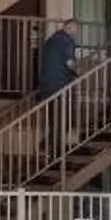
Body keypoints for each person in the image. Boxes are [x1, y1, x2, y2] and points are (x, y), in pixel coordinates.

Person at [37, 19, 80, 160]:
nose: (76, 33)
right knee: (65, 118)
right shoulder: (65, 41)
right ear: (70, 28)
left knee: (54, 117)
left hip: (47, 84)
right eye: (75, 29)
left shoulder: (52, 40)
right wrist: (79, 72)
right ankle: (51, 148)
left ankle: (49, 146)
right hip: (59, 84)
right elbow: (70, 63)